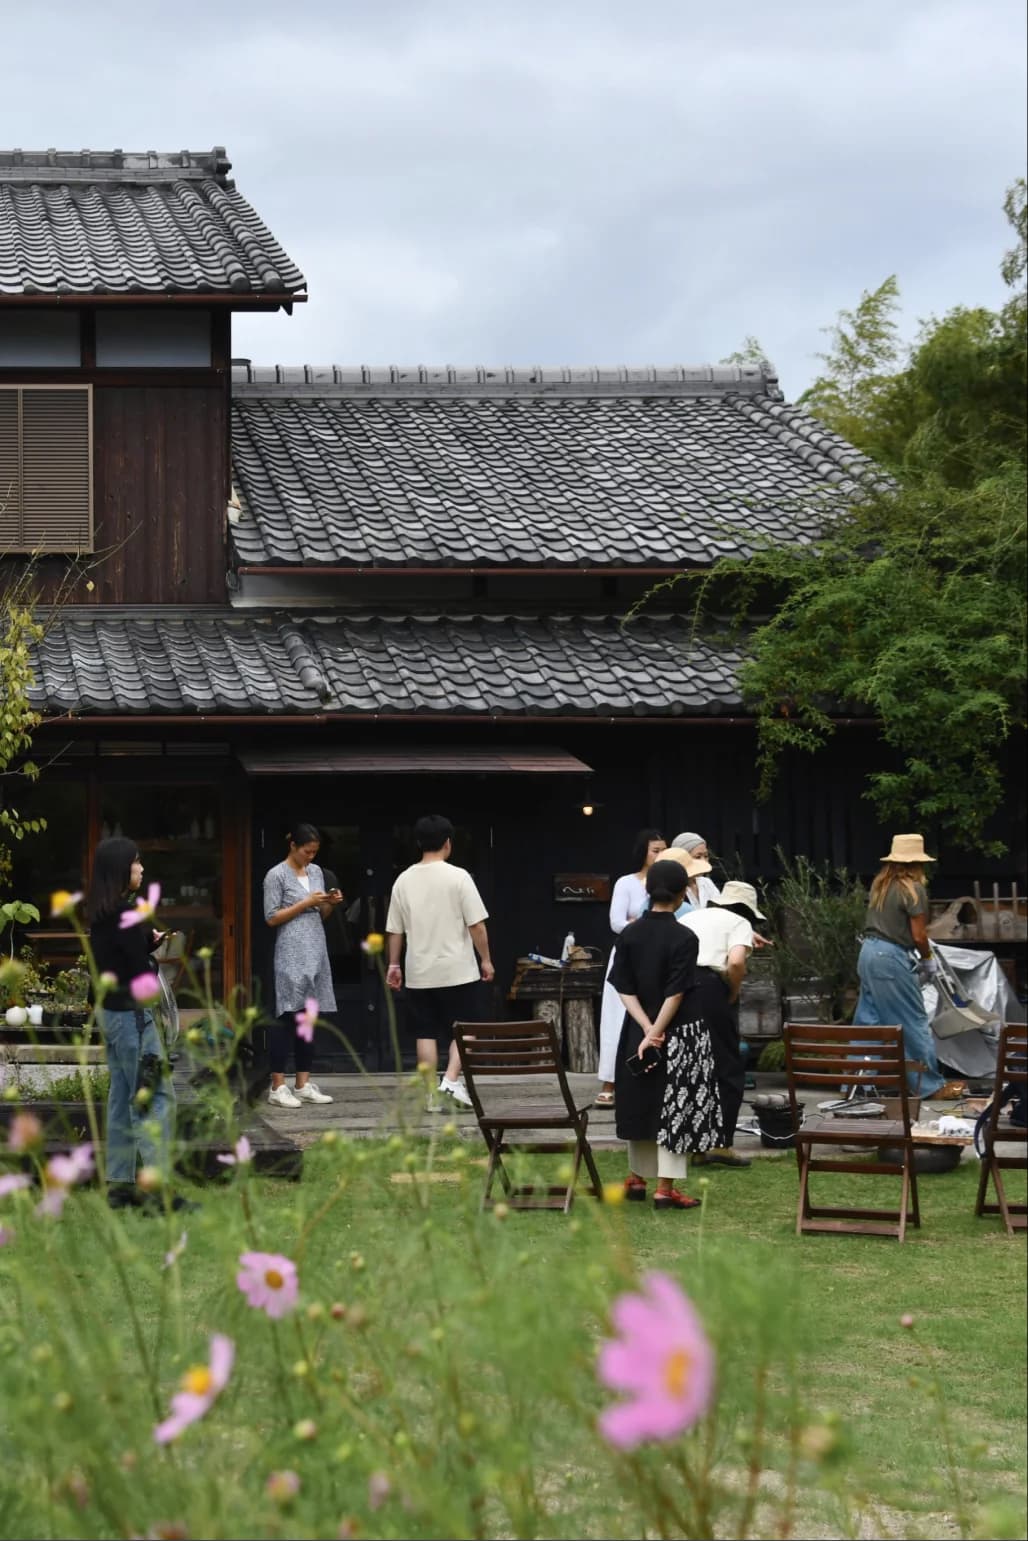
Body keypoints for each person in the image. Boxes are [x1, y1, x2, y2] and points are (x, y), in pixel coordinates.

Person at [610, 858, 723, 1210]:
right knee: (676, 1105)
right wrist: (657, 1031)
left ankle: (637, 1177)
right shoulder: (685, 937)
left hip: (637, 1027)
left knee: (640, 1098)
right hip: (679, 1032)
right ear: (680, 895)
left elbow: (623, 986)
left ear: (647, 890)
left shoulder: (629, 934)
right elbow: (676, 992)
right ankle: (665, 1187)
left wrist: (644, 1028)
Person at [87, 835, 186, 1212]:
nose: (142, 869)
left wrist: (145, 944)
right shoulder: (125, 915)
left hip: (110, 1014)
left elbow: (115, 959)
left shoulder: (102, 913)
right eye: (136, 863)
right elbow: (134, 971)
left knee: (120, 1098)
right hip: (132, 1017)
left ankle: (120, 1185)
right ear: (120, 870)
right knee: (155, 1097)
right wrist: (149, 956)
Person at [385, 815, 494, 1111]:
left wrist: (394, 965)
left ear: (419, 843)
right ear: (448, 843)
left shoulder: (403, 880)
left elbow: (394, 929)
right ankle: (451, 1080)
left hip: (419, 970)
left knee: (425, 1031)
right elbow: (477, 926)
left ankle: (431, 1095)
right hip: (457, 968)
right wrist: (485, 959)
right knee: (466, 1026)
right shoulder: (459, 877)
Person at [852, 834, 966, 1100]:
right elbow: (918, 935)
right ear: (917, 863)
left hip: (868, 951)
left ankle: (855, 1084)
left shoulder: (881, 885)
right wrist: (928, 959)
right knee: (911, 1020)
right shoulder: (913, 889)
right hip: (890, 957)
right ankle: (929, 1087)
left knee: (869, 1022)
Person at [681, 880, 766, 1168]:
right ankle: (721, 1143)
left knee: (692, 1066)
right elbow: (737, 962)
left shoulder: (690, 916)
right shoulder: (739, 921)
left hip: (679, 989)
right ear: (745, 909)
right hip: (711, 988)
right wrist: (733, 989)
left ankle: (693, 1143)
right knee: (727, 1067)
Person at [263, 823, 343, 1108]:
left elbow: (319, 915)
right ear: (293, 846)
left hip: (315, 949)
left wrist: (330, 903)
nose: (311, 857)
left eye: (314, 852)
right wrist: (306, 902)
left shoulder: (317, 872)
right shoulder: (276, 875)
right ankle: (277, 1085)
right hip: (290, 952)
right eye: (307, 851)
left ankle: (303, 1083)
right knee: (286, 1017)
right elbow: (271, 917)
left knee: (308, 1017)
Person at [595, 829, 667, 1106]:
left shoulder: (671, 882)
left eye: (664, 850)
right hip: (630, 952)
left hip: (659, 954)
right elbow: (616, 922)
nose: (660, 855)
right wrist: (646, 924)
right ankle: (609, 1082)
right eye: (655, 850)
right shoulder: (627, 883)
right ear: (643, 853)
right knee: (617, 1017)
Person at [669, 832, 722, 907]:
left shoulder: (707, 883)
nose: (704, 861)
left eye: (706, 856)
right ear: (682, 858)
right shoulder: (671, 887)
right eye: (698, 857)